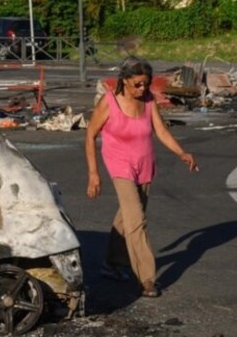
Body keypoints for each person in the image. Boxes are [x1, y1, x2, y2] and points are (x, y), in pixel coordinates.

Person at [85, 56, 198, 298]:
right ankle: (147, 278)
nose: (143, 88)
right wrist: (94, 174)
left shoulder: (148, 100)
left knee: (127, 218)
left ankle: (112, 264)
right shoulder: (109, 102)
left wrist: (181, 152)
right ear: (124, 81)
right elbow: (90, 134)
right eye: (137, 83)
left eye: (146, 83)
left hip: (145, 164)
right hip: (119, 165)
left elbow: (161, 130)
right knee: (137, 221)